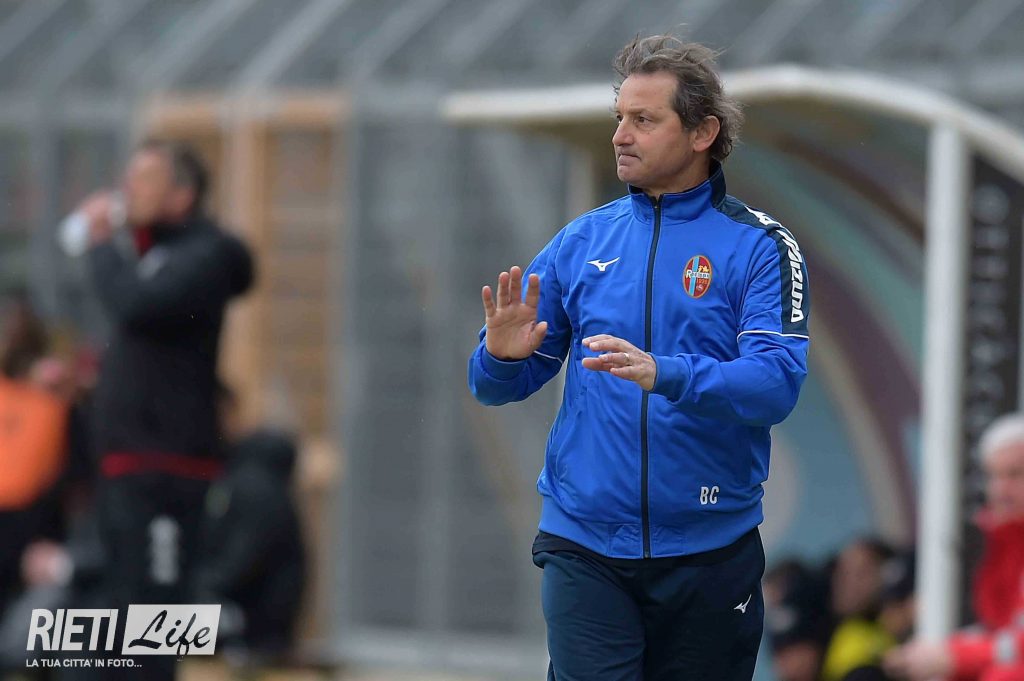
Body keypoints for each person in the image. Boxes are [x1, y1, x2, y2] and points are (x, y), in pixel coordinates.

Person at [467, 34, 810, 681]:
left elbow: (775, 384)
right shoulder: (581, 241)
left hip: (710, 547)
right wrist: (502, 359)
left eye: (644, 120)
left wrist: (667, 373)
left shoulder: (761, 246)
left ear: (703, 131)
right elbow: (492, 387)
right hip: (585, 543)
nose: (621, 135)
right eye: (619, 117)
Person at [78, 139, 253, 679]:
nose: (127, 190)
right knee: (115, 609)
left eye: (145, 179)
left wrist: (101, 245)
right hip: (126, 463)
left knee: (155, 613)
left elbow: (138, 305)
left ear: (182, 194)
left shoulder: (205, 254)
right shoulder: (151, 254)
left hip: (168, 468)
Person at [885, 414, 1024, 681]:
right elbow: (998, 630)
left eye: (1015, 474)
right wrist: (944, 652)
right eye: (993, 476)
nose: (1000, 490)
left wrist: (955, 656)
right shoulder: (1000, 539)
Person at [194, 382, 306, 664]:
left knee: (134, 634)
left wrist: (187, 588)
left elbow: (237, 567)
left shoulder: (254, 487)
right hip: (238, 616)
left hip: (248, 627)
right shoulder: (236, 476)